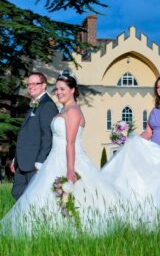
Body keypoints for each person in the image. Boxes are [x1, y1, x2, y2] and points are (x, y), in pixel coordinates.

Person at [1, 71, 120, 235]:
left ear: (72, 90)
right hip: (54, 158)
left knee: (69, 196)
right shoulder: (61, 110)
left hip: (67, 158)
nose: (58, 93)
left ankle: (71, 228)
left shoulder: (73, 111)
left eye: (62, 89)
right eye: (56, 89)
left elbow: (70, 142)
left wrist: (70, 169)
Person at [101, 75, 160, 225]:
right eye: (158, 87)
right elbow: (148, 133)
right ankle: (149, 218)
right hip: (153, 152)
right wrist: (132, 142)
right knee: (148, 185)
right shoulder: (155, 109)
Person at [10, 72, 58, 200]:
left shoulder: (47, 105)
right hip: (23, 162)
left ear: (44, 86)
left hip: (34, 164)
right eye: (28, 84)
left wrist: (40, 161)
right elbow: (26, 135)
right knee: (17, 195)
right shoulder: (33, 105)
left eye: (35, 83)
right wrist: (16, 158)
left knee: (31, 200)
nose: (30, 86)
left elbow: (47, 136)